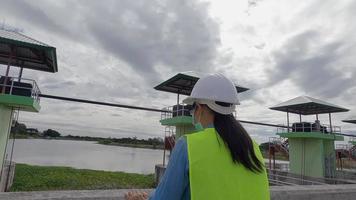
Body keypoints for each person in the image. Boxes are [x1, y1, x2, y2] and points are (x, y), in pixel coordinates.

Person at [125, 73, 270, 200]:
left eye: (192, 108)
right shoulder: (254, 147)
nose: (192, 113)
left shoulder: (187, 145)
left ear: (200, 108)